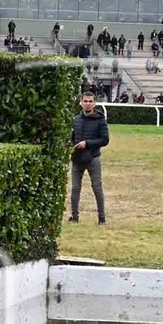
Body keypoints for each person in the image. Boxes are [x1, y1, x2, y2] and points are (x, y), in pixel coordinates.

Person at [69, 92, 109, 225]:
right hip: (77, 158)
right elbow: (72, 138)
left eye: (90, 101)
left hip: (93, 158)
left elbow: (105, 140)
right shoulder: (76, 119)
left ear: (94, 103)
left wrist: (87, 143)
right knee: (75, 189)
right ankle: (74, 217)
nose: (87, 104)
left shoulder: (100, 120)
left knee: (97, 188)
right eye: (85, 101)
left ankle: (102, 218)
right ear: (81, 103)